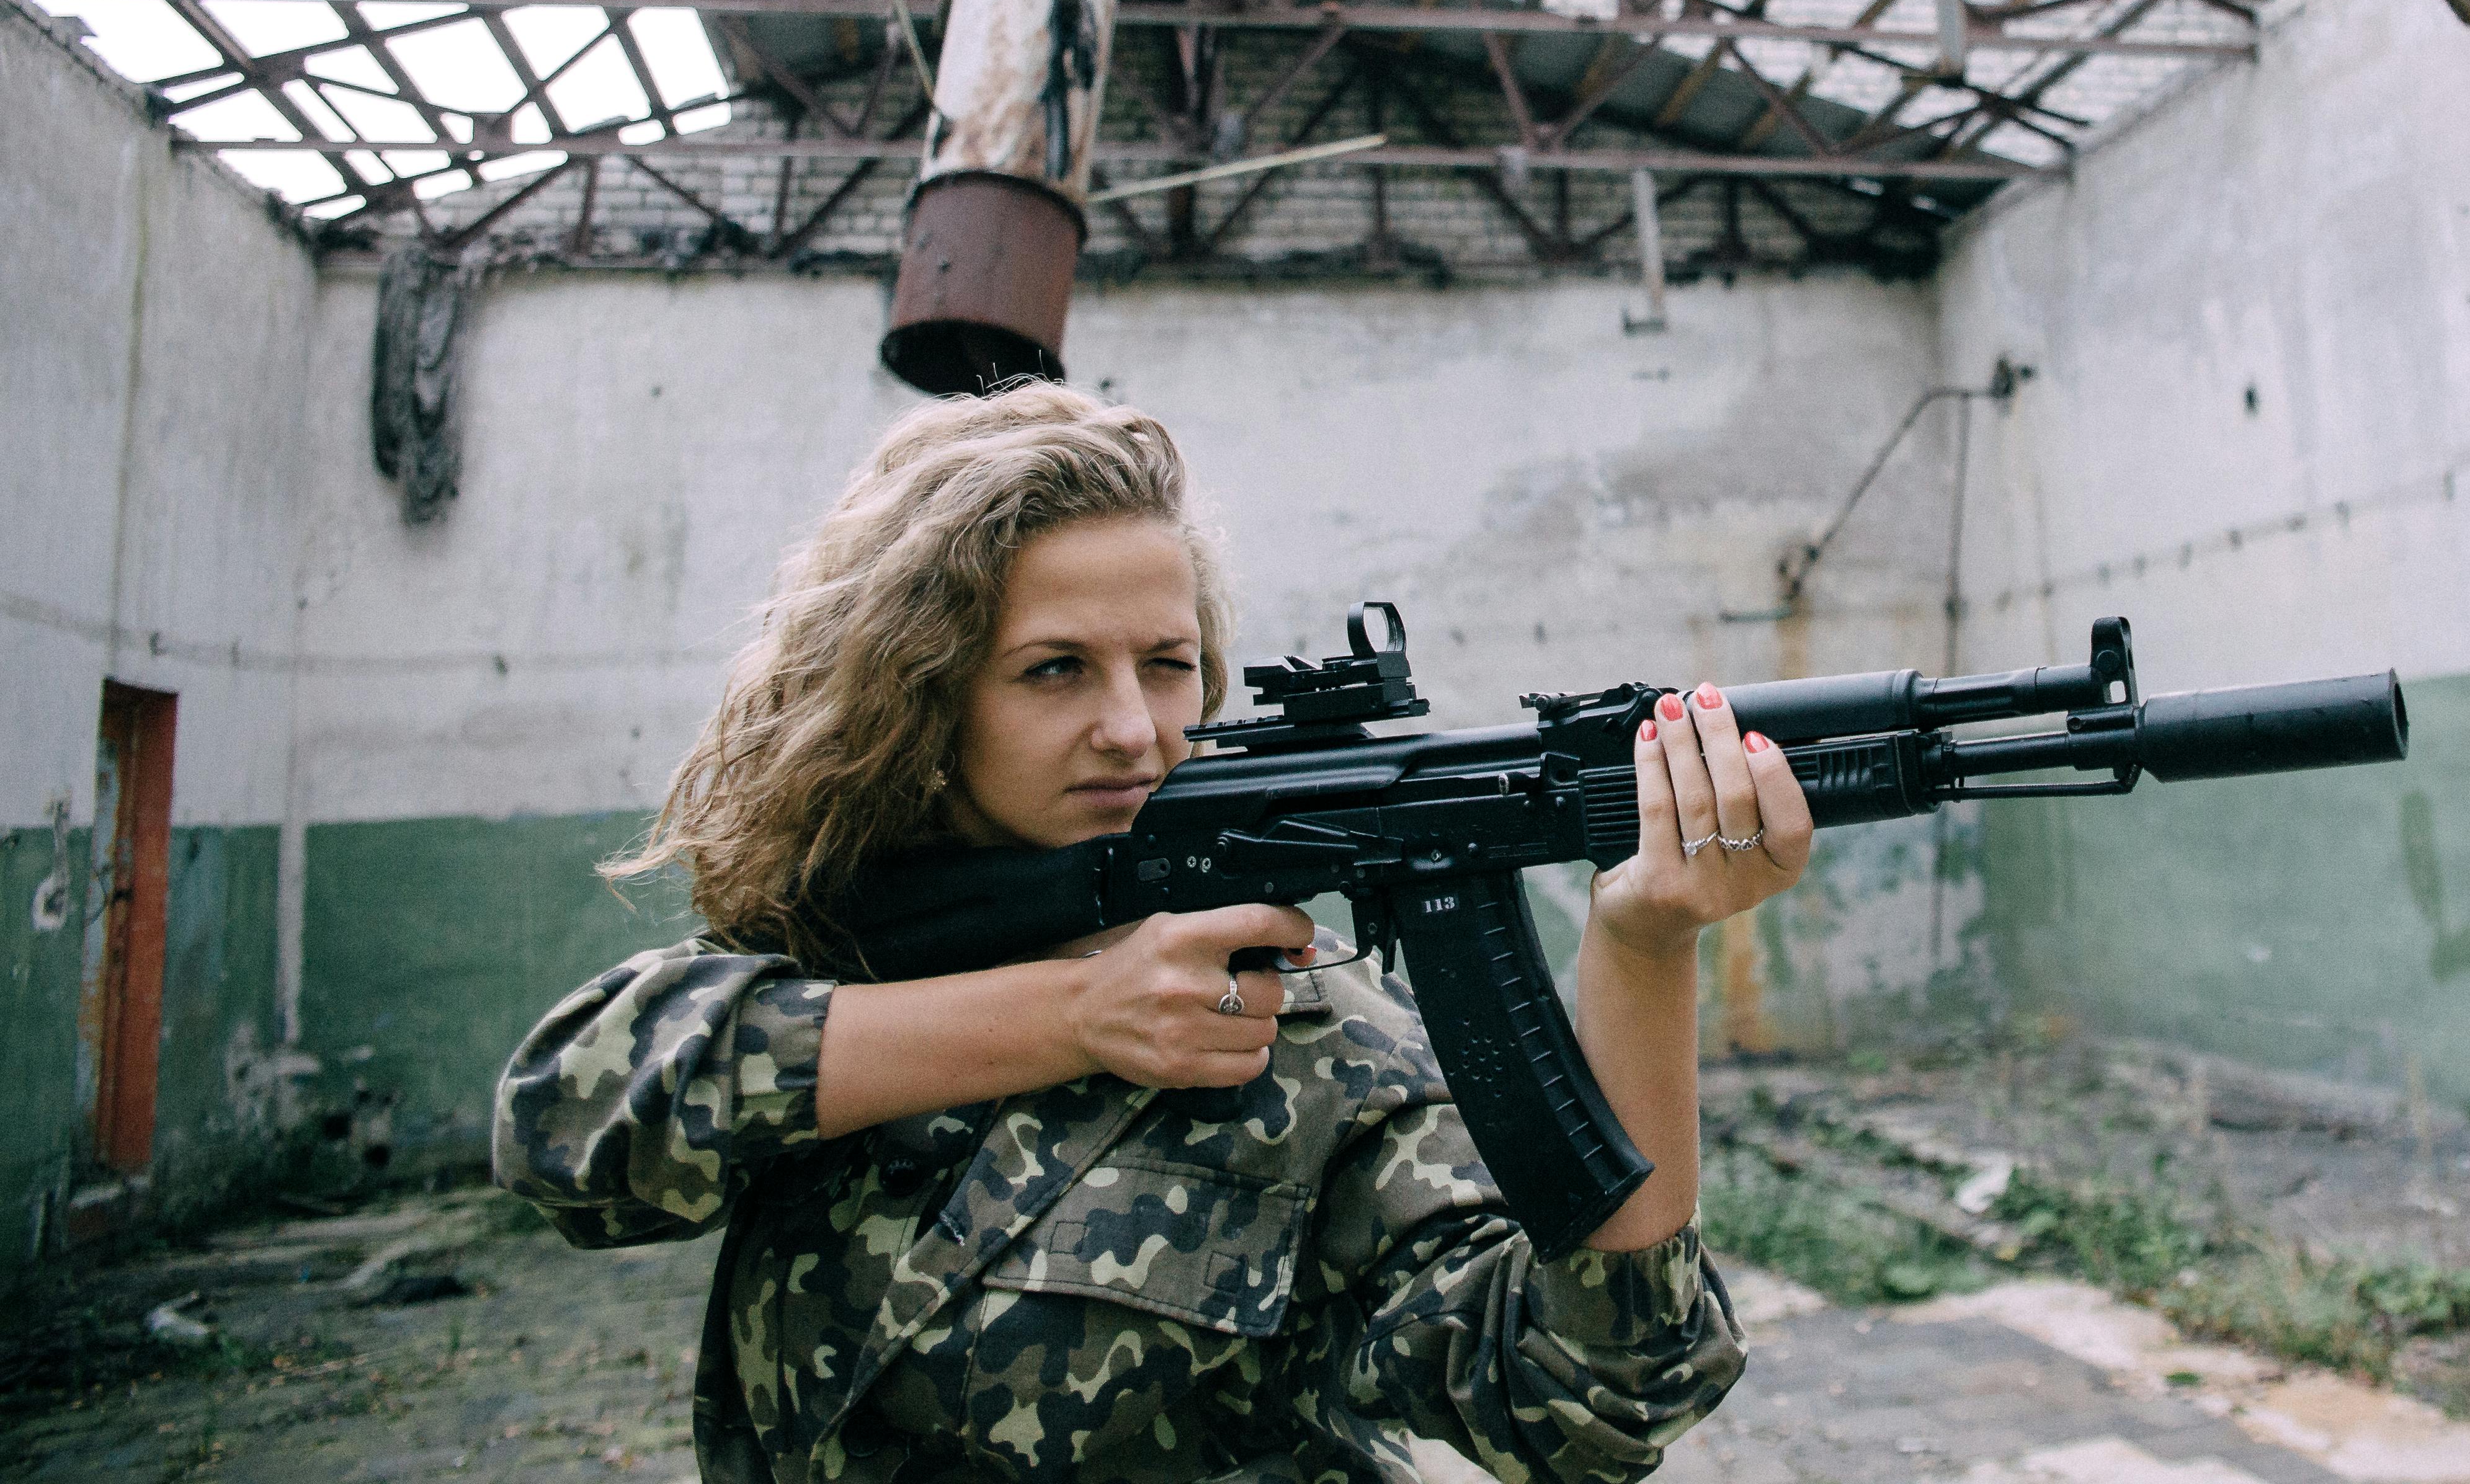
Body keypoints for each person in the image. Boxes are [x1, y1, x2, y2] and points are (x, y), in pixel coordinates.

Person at [494, 387, 1811, 1483]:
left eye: (1168, 665)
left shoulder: (1300, 1033)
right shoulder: (841, 959)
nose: (1134, 729)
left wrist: (1644, 952)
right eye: (1055, 668)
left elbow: (1597, 1402)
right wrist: (1070, 1017)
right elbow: (568, 1131)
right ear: (919, 699)